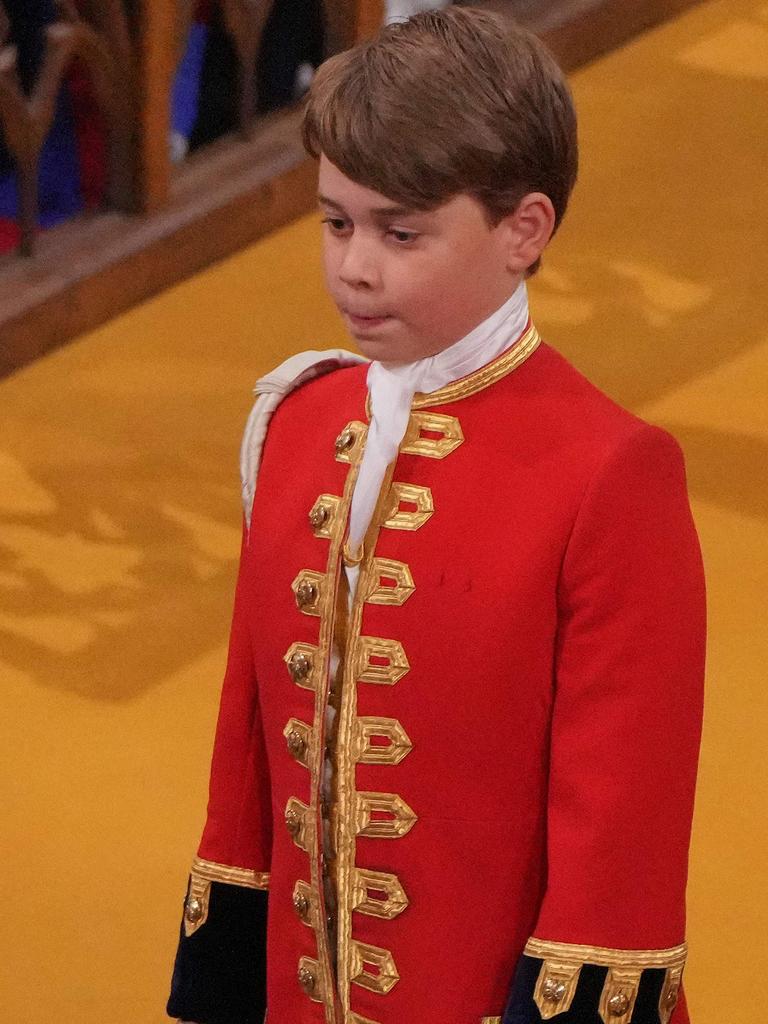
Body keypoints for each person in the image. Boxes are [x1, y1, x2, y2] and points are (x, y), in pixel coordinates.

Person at [167, 8, 706, 1024]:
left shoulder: (614, 475)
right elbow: (247, 762)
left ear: (524, 230)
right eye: (336, 222)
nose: (353, 267)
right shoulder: (293, 418)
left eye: (400, 232)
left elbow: (619, 854)